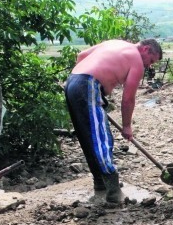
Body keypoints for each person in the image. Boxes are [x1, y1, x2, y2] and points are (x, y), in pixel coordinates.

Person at [64, 39, 163, 203]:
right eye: (151, 61)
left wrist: (82, 83)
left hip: (74, 81)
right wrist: (126, 126)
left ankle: (101, 184)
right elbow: (128, 99)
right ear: (146, 49)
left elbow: (81, 56)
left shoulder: (115, 43)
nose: (149, 66)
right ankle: (113, 191)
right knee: (102, 139)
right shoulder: (137, 61)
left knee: (89, 138)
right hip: (87, 84)